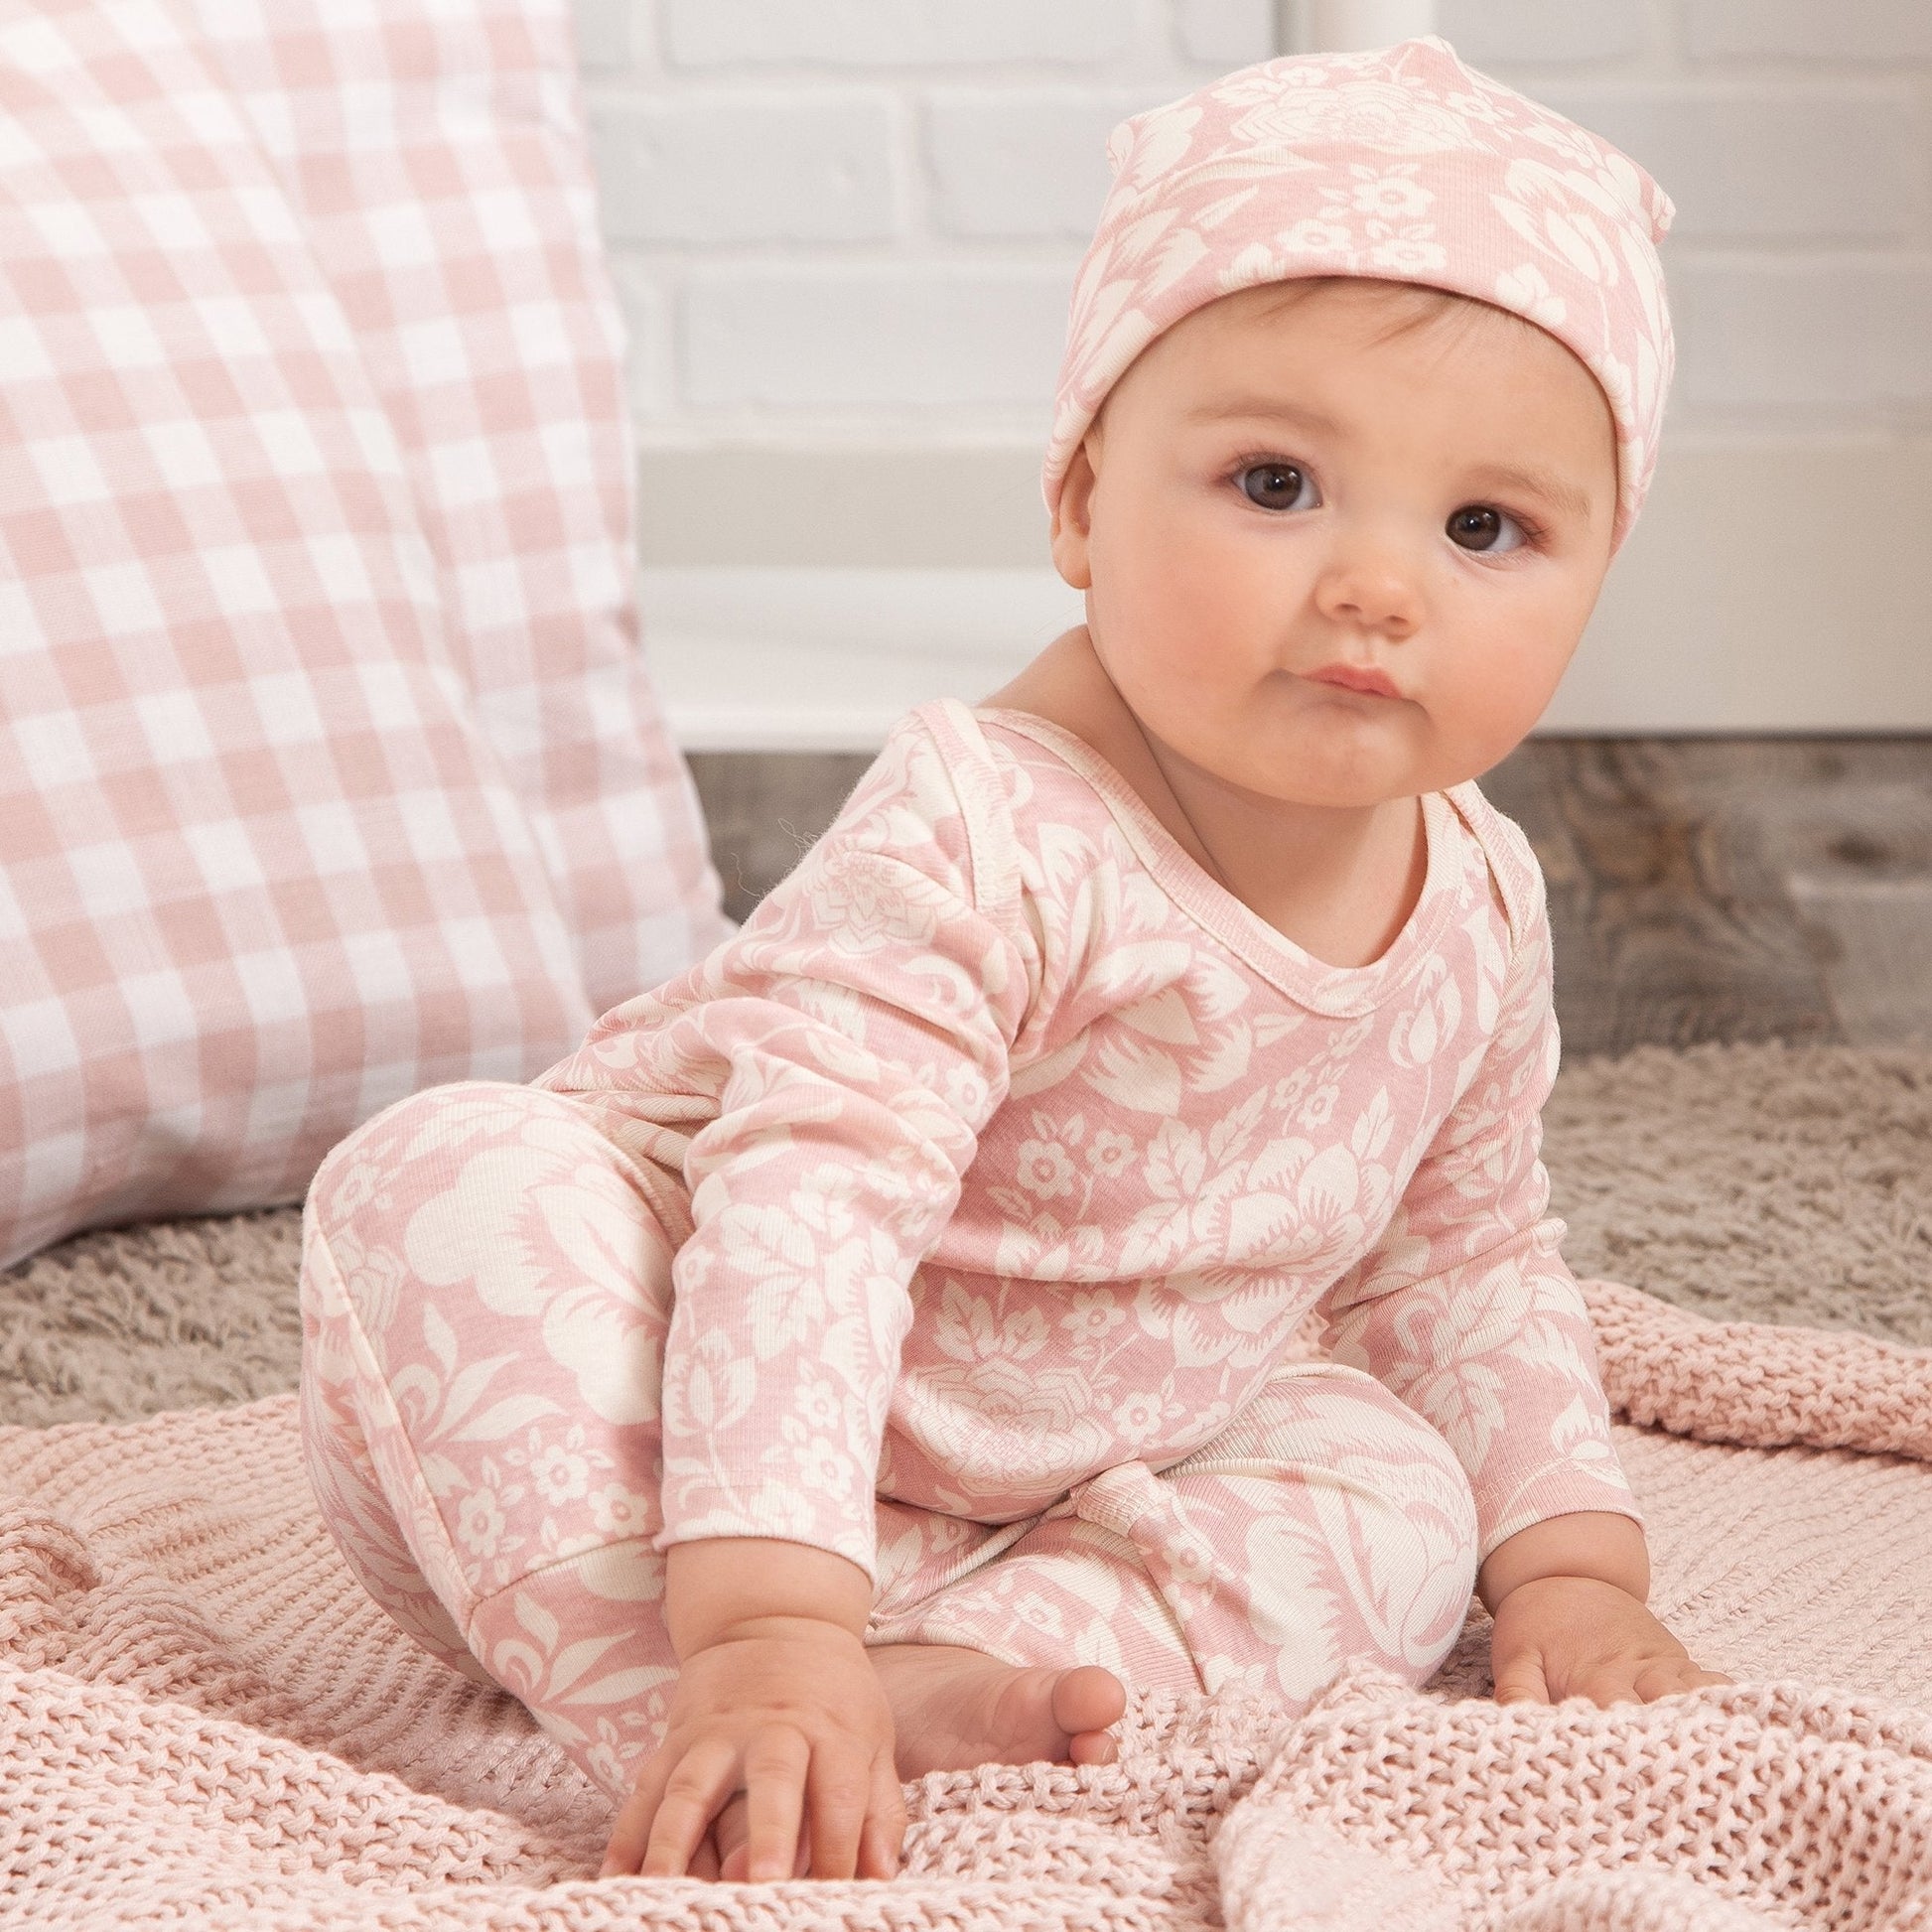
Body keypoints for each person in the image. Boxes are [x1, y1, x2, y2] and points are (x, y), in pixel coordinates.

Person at [297, 36, 1728, 1891]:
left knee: (1395, 1492)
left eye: (1484, 529)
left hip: (1075, 1465)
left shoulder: (1479, 901)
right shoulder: (981, 833)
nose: (1378, 583)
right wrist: (764, 1618)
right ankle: (725, 1711)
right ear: (1076, 500)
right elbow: (808, 1207)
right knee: (443, 1185)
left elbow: (1463, 1254)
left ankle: (955, 1684)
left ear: (1595, 572)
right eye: (1275, 483)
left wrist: (1571, 1569)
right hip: (677, 1409)